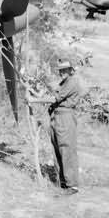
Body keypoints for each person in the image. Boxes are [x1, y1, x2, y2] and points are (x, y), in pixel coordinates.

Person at [37, 59, 85, 195]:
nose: (62, 72)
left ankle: (72, 185)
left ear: (71, 70)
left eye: (65, 69)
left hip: (65, 117)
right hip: (56, 117)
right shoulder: (63, 82)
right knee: (57, 148)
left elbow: (55, 99)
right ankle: (63, 182)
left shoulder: (72, 81)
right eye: (61, 69)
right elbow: (53, 96)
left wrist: (34, 100)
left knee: (67, 149)